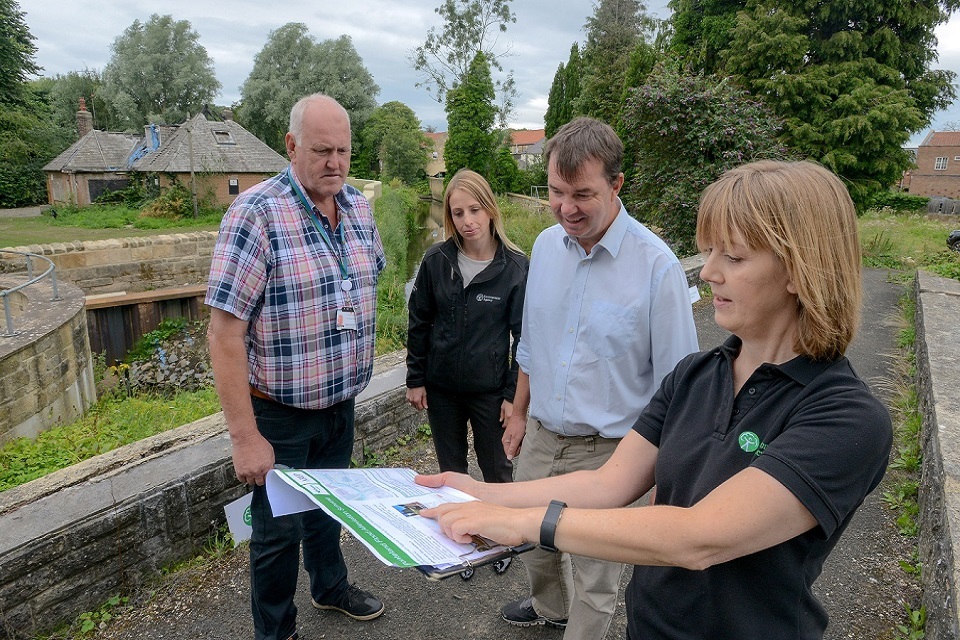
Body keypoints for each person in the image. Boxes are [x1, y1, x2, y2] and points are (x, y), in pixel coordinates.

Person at [417, 159, 894, 640]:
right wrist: (477, 492)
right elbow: (608, 483)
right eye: (709, 252)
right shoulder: (694, 376)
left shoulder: (845, 419)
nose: (709, 272)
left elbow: (698, 537)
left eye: (734, 257)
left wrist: (523, 523)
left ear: (800, 269)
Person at [494, 117, 699, 639]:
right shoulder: (545, 248)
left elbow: (680, 385)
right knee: (531, 545)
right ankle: (550, 609)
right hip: (541, 437)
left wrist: (666, 473)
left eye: (582, 194)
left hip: (611, 453)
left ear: (616, 184)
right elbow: (532, 343)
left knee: (595, 576)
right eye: (555, 192)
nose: (566, 208)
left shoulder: (657, 267)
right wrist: (519, 414)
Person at [206, 93, 386, 640]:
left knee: (330, 510)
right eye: (322, 150)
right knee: (278, 533)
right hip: (280, 417)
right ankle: (277, 631)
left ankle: (329, 587)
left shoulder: (358, 208)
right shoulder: (255, 214)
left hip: (339, 405)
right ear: (291, 145)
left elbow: (364, 282)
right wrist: (245, 437)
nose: (335, 162)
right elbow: (224, 333)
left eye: (343, 151)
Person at [405, 168, 528, 485]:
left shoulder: (515, 267)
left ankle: (500, 521)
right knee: (451, 475)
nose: (467, 221)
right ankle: (457, 518)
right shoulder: (437, 260)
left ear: (490, 209)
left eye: (475, 210)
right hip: (442, 391)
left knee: (498, 471)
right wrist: (415, 378)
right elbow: (419, 321)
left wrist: (513, 397)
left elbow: (524, 338)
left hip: (491, 392)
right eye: (458, 213)